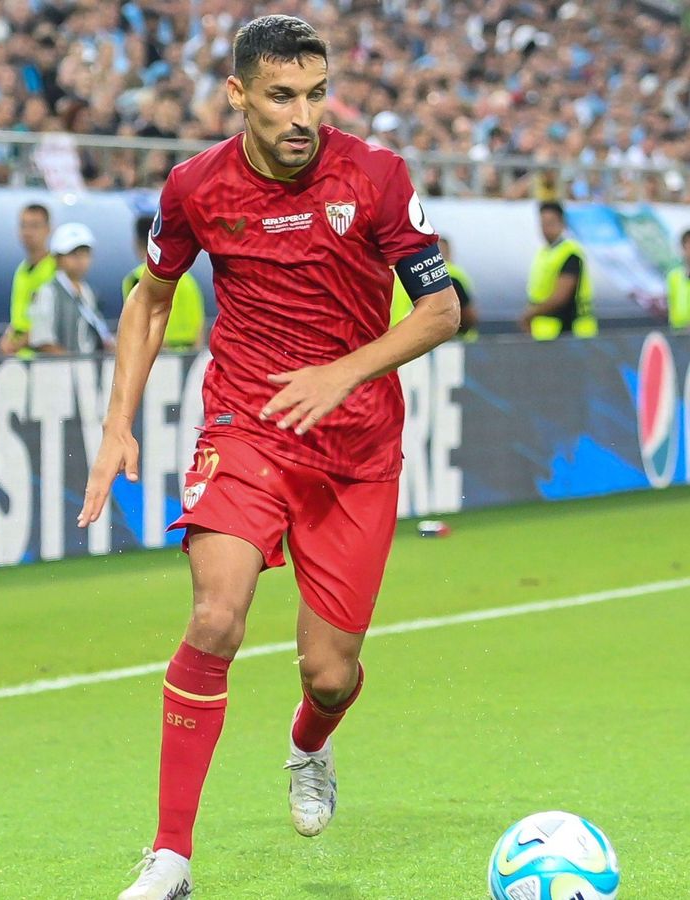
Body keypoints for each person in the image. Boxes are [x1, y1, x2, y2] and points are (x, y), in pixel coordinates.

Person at [79, 15, 460, 900]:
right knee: (216, 616)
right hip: (247, 428)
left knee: (331, 674)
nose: (304, 115)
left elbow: (440, 311)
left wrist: (343, 373)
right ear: (238, 95)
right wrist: (117, 424)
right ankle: (171, 856)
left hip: (357, 447)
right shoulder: (195, 188)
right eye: (284, 96)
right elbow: (152, 296)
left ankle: (310, 744)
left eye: (317, 94)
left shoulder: (374, 175)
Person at [21, 222, 113, 355]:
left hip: (86, 369)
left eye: (85, 253)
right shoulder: (48, 292)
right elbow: (42, 341)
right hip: (57, 371)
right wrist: (71, 363)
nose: (81, 259)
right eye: (73, 254)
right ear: (57, 258)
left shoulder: (88, 292)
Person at [122, 215, 206, 352]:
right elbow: (200, 325)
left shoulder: (138, 278)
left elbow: (139, 325)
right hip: (189, 357)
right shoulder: (188, 279)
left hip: (160, 356)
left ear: (137, 243)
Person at [519, 201, 595, 339]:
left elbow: (560, 297)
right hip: (546, 331)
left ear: (562, 223)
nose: (546, 228)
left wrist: (530, 314)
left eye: (551, 223)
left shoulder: (570, 253)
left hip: (570, 332)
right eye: (543, 223)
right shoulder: (544, 253)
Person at [0, 203, 55, 357]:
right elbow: (18, 317)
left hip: (44, 360)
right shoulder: (21, 270)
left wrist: (18, 343)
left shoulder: (56, 270)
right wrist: (7, 338)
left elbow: (52, 319)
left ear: (48, 229)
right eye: (23, 226)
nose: (28, 232)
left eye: (35, 226)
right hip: (18, 360)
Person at [390, 236, 477, 338]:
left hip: (401, 340)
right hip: (449, 342)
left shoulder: (397, 276)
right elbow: (469, 314)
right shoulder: (454, 273)